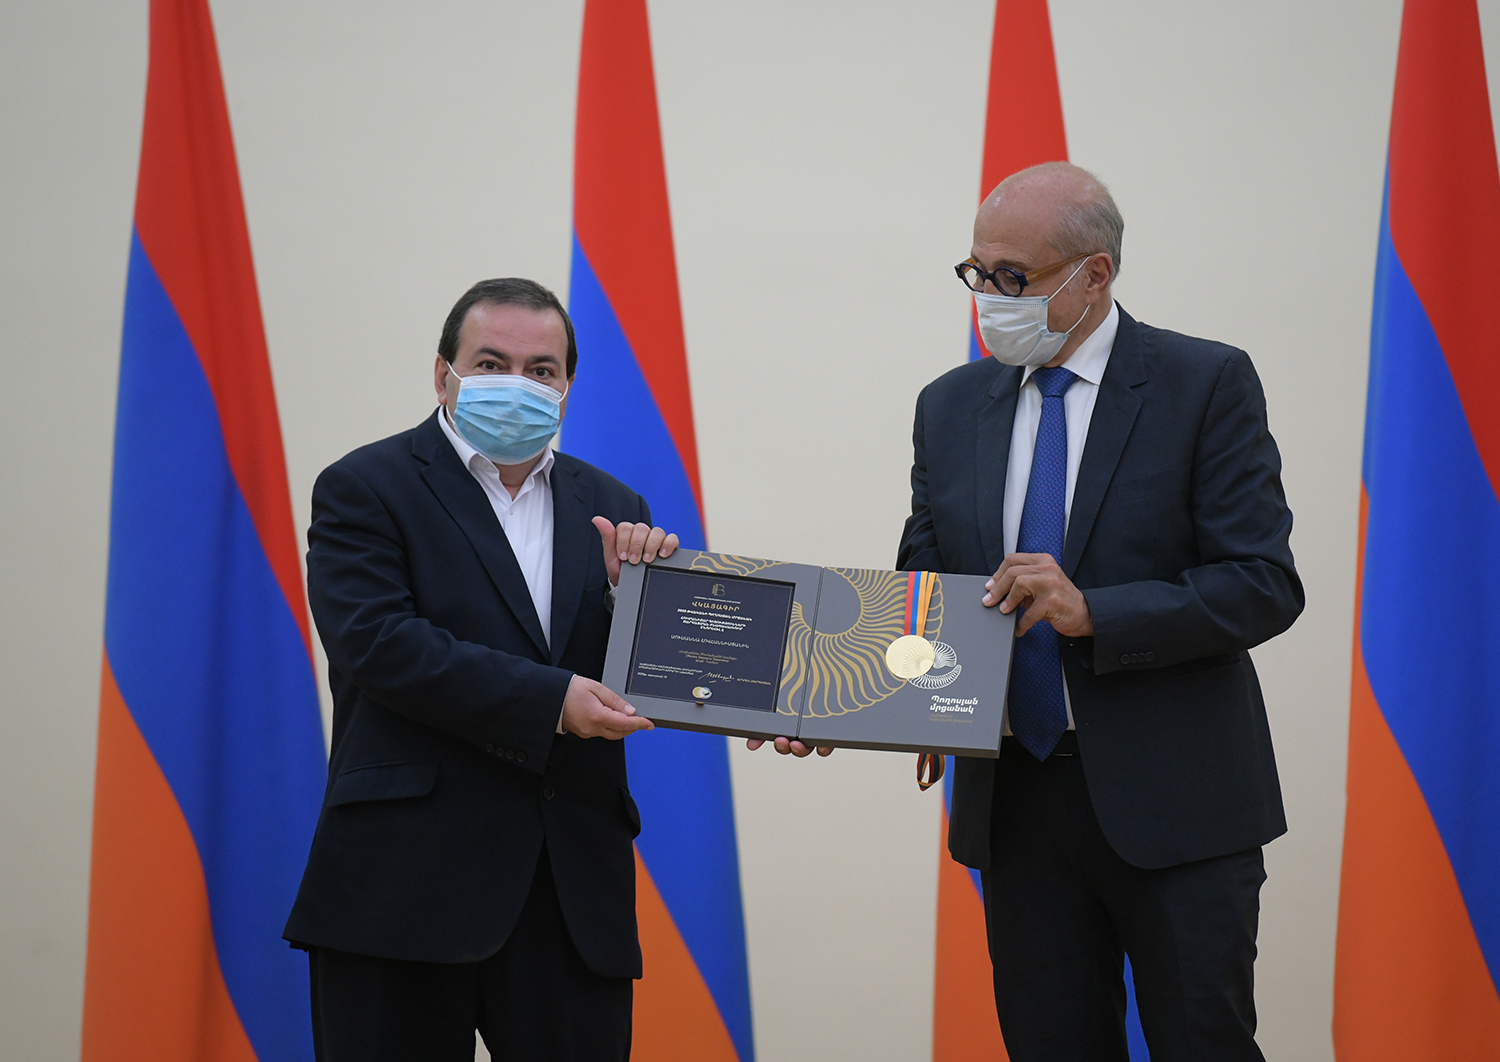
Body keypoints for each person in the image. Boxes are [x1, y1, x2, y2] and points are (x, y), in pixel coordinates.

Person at [898, 162, 1302, 1061]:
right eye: (976, 272)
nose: (989, 297)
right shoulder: (949, 406)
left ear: (1094, 275)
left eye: (1013, 277)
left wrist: (1096, 614)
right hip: (1017, 803)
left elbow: (1263, 582)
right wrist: (878, 700)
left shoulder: (1204, 383)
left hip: (1178, 804)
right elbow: (925, 585)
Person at [283, 277, 680, 1062]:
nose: (517, 384)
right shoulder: (366, 487)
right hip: (403, 888)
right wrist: (553, 700)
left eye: (541, 370)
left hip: (569, 894)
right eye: (492, 363)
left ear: (566, 388)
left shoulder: (613, 504)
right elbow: (379, 644)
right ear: (444, 375)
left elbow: (651, 675)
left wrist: (782, 709)